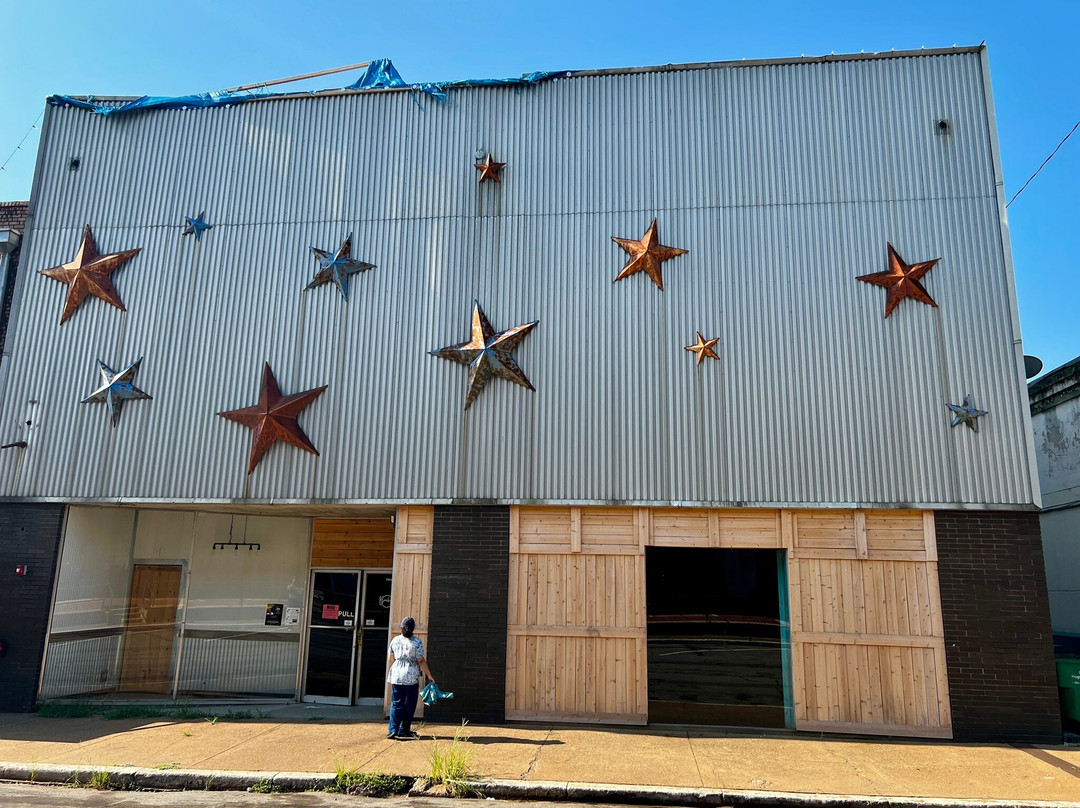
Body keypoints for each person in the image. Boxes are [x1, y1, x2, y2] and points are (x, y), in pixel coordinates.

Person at [386, 616, 434, 740]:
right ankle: (404, 729)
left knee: (396, 703)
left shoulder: (395, 640)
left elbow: (391, 658)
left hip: (396, 675)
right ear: (413, 629)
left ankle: (393, 730)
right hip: (411, 676)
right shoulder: (417, 642)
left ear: (401, 628)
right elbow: (421, 660)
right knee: (409, 704)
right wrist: (429, 675)